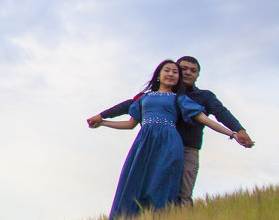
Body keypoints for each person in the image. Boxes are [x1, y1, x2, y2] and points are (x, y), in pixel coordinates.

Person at [88, 55, 253, 207]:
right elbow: (129, 110)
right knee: (143, 187)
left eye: (192, 70)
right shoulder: (147, 97)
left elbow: (216, 114)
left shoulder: (194, 97)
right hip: (150, 147)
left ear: (197, 75)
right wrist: (102, 118)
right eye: (182, 69)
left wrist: (236, 131)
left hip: (182, 149)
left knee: (179, 194)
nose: (186, 73)